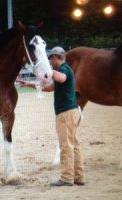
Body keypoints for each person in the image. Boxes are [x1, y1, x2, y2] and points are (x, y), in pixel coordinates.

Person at [19, 46, 85, 186]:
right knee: (74, 145)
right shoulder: (63, 69)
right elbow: (49, 88)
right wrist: (30, 84)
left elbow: (61, 78)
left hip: (66, 114)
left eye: (51, 59)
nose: (50, 62)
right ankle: (79, 177)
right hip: (72, 112)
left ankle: (67, 178)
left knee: (66, 146)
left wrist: (48, 71)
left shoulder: (64, 70)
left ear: (56, 57)